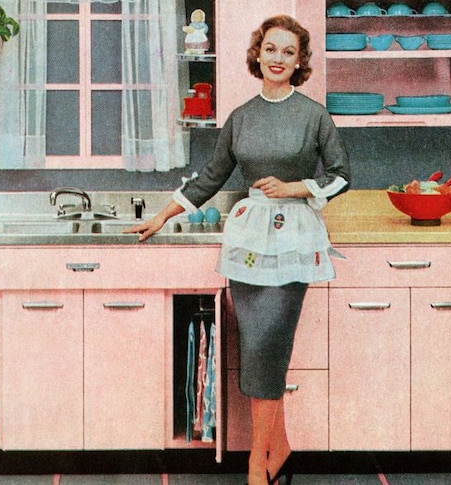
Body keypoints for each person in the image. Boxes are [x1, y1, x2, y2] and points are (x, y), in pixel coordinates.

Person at [125, 15, 350, 485]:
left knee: (270, 344)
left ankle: (254, 466)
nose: (278, 59)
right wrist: (164, 214)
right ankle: (280, 452)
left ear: (299, 62)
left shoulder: (314, 115)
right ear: (258, 54)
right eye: (271, 49)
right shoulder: (241, 117)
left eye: (288, 52)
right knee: (256, 348)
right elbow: (210, 177)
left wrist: (295, 187)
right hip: (248, 244)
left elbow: (342, 174)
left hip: (293, 242)